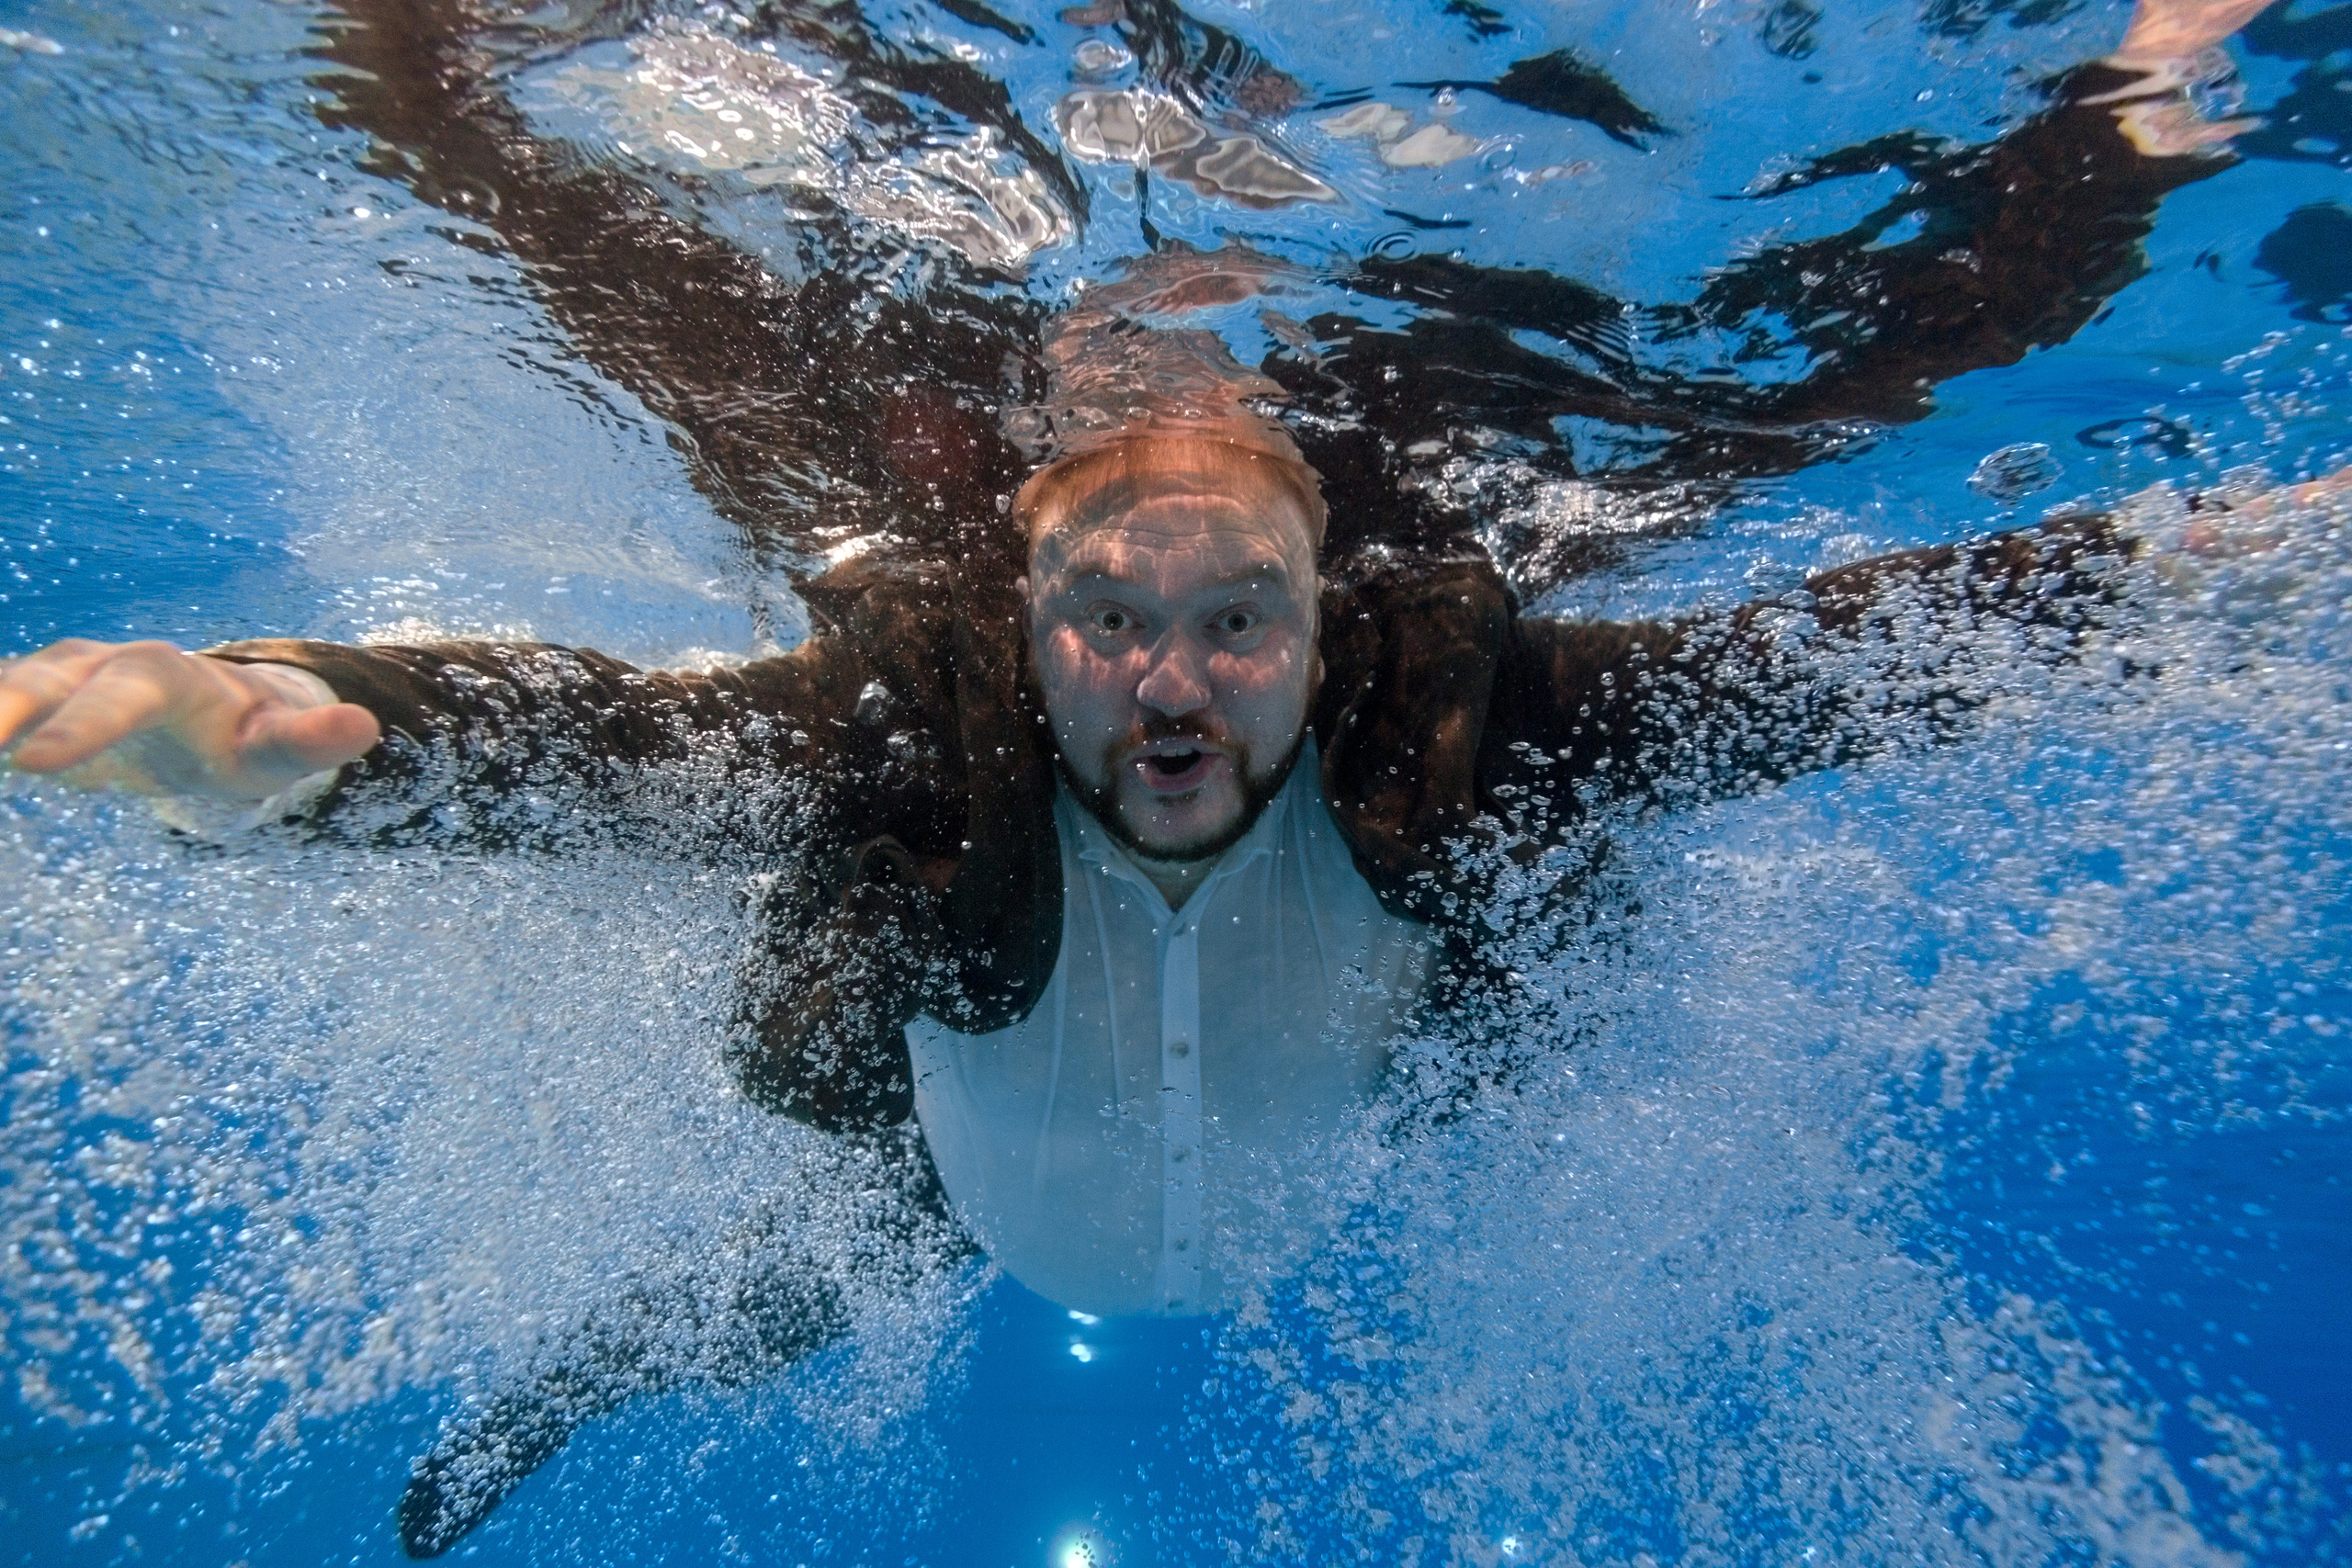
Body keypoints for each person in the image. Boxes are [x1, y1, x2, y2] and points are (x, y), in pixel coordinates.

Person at [0, 0, 2304, 1556]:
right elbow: (592, 747)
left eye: (1235, 625)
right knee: (827, 1253)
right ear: (1020, 632)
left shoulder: (1482, 743)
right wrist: (276, 734)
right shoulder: (914, 762)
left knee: (1854, 371)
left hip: (1317, 1097)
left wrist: (2216, 572)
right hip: (938, 1160)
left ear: (1327, 618)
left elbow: (1874, 650)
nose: (1168, 682)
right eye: (1109, 620)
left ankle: (2144, 72)